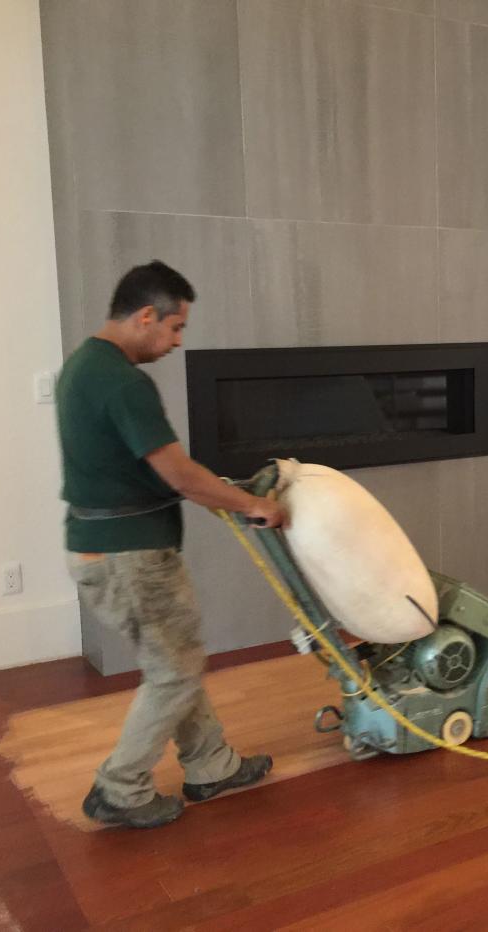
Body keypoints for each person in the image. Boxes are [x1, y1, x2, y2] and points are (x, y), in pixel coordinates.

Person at [57, 260, 287, 829]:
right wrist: (253, 504)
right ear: (144, 316)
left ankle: (212, 764)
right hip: (130, 556)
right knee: (174, 672)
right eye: (175, 328)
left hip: (101, 547)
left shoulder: (83, 366)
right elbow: (179, 474)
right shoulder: (122, 381)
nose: (178, 342)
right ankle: (120, 788)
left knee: (175, 660)